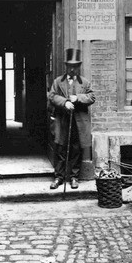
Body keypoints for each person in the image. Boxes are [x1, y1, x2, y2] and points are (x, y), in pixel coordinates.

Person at [48, 48, 95, 190]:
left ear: (79, 67)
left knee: (76, 149)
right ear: (66, 66)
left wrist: (78, 98)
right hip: (62, 120)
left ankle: (74, 177)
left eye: (75, 66)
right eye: (70, 66)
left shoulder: (85, 83)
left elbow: (92, 97)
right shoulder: (58, 81)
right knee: (60, 148)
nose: (72, 69)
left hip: (79, 121)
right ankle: (59, 177)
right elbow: (51, 96)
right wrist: (65, 102)